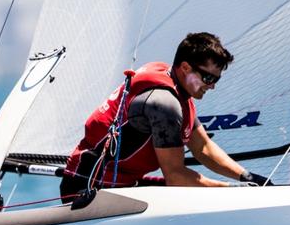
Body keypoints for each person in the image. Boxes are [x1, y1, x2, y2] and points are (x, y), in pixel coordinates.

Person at [61, 32, 271, 201]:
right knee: (199, 199)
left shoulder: (177, 87)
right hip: (87, 190)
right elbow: (176, 176)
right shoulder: (164, 104)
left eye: (216, 79)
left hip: (122, 185)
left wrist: (248, 177)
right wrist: (236, 191)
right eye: (208, 77)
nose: (212, 86)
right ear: (185, 67)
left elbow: (203, 148)